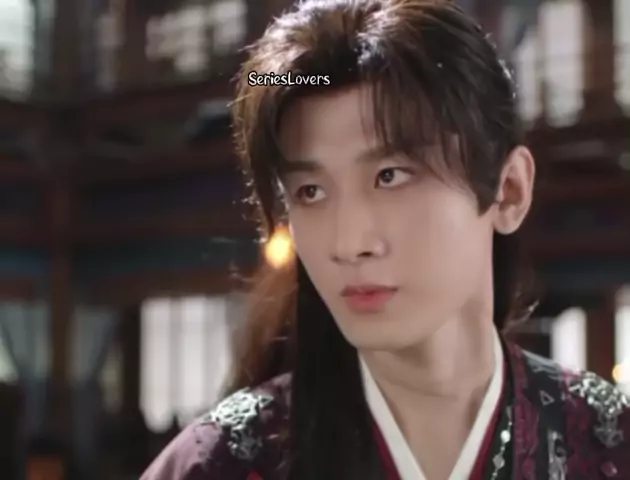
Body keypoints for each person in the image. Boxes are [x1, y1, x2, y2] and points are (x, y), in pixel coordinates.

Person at [141, 0, 630, 478]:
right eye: (310, 191)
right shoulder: (214, 465)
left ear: (508, 191)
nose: (348, 243)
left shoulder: (612, 443)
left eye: (390, 176)